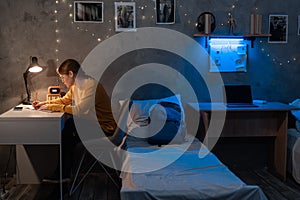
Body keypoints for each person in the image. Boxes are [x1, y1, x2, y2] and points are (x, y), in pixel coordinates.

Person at [33, 59, 117, 182]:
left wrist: (50, 107)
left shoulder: (91, 85)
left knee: (69, 129)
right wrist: (43, 103)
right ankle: (65, 172)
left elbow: (79, 110)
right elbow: (64, 100)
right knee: (69, 129)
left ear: (71, 74)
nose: (62, 80)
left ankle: (64, 173)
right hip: (94, 125)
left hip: (105, 128)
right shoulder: (75, 86)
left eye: (63, 77)